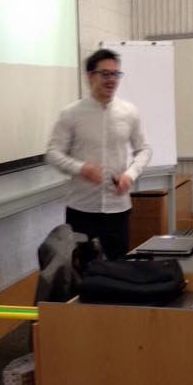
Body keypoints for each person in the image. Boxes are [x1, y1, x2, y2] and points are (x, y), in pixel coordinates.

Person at [45, 48, 152, 259]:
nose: (111, 79)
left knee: (116, 268)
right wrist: (81, 168)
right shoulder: (71, 114)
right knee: (83, 270)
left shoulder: (129, 112)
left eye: (116, 74)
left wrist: (130, 175)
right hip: (82, 208)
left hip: (118, 208)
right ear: (90, 76)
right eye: (105, 74)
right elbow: (53, 153)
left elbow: (144, 149)